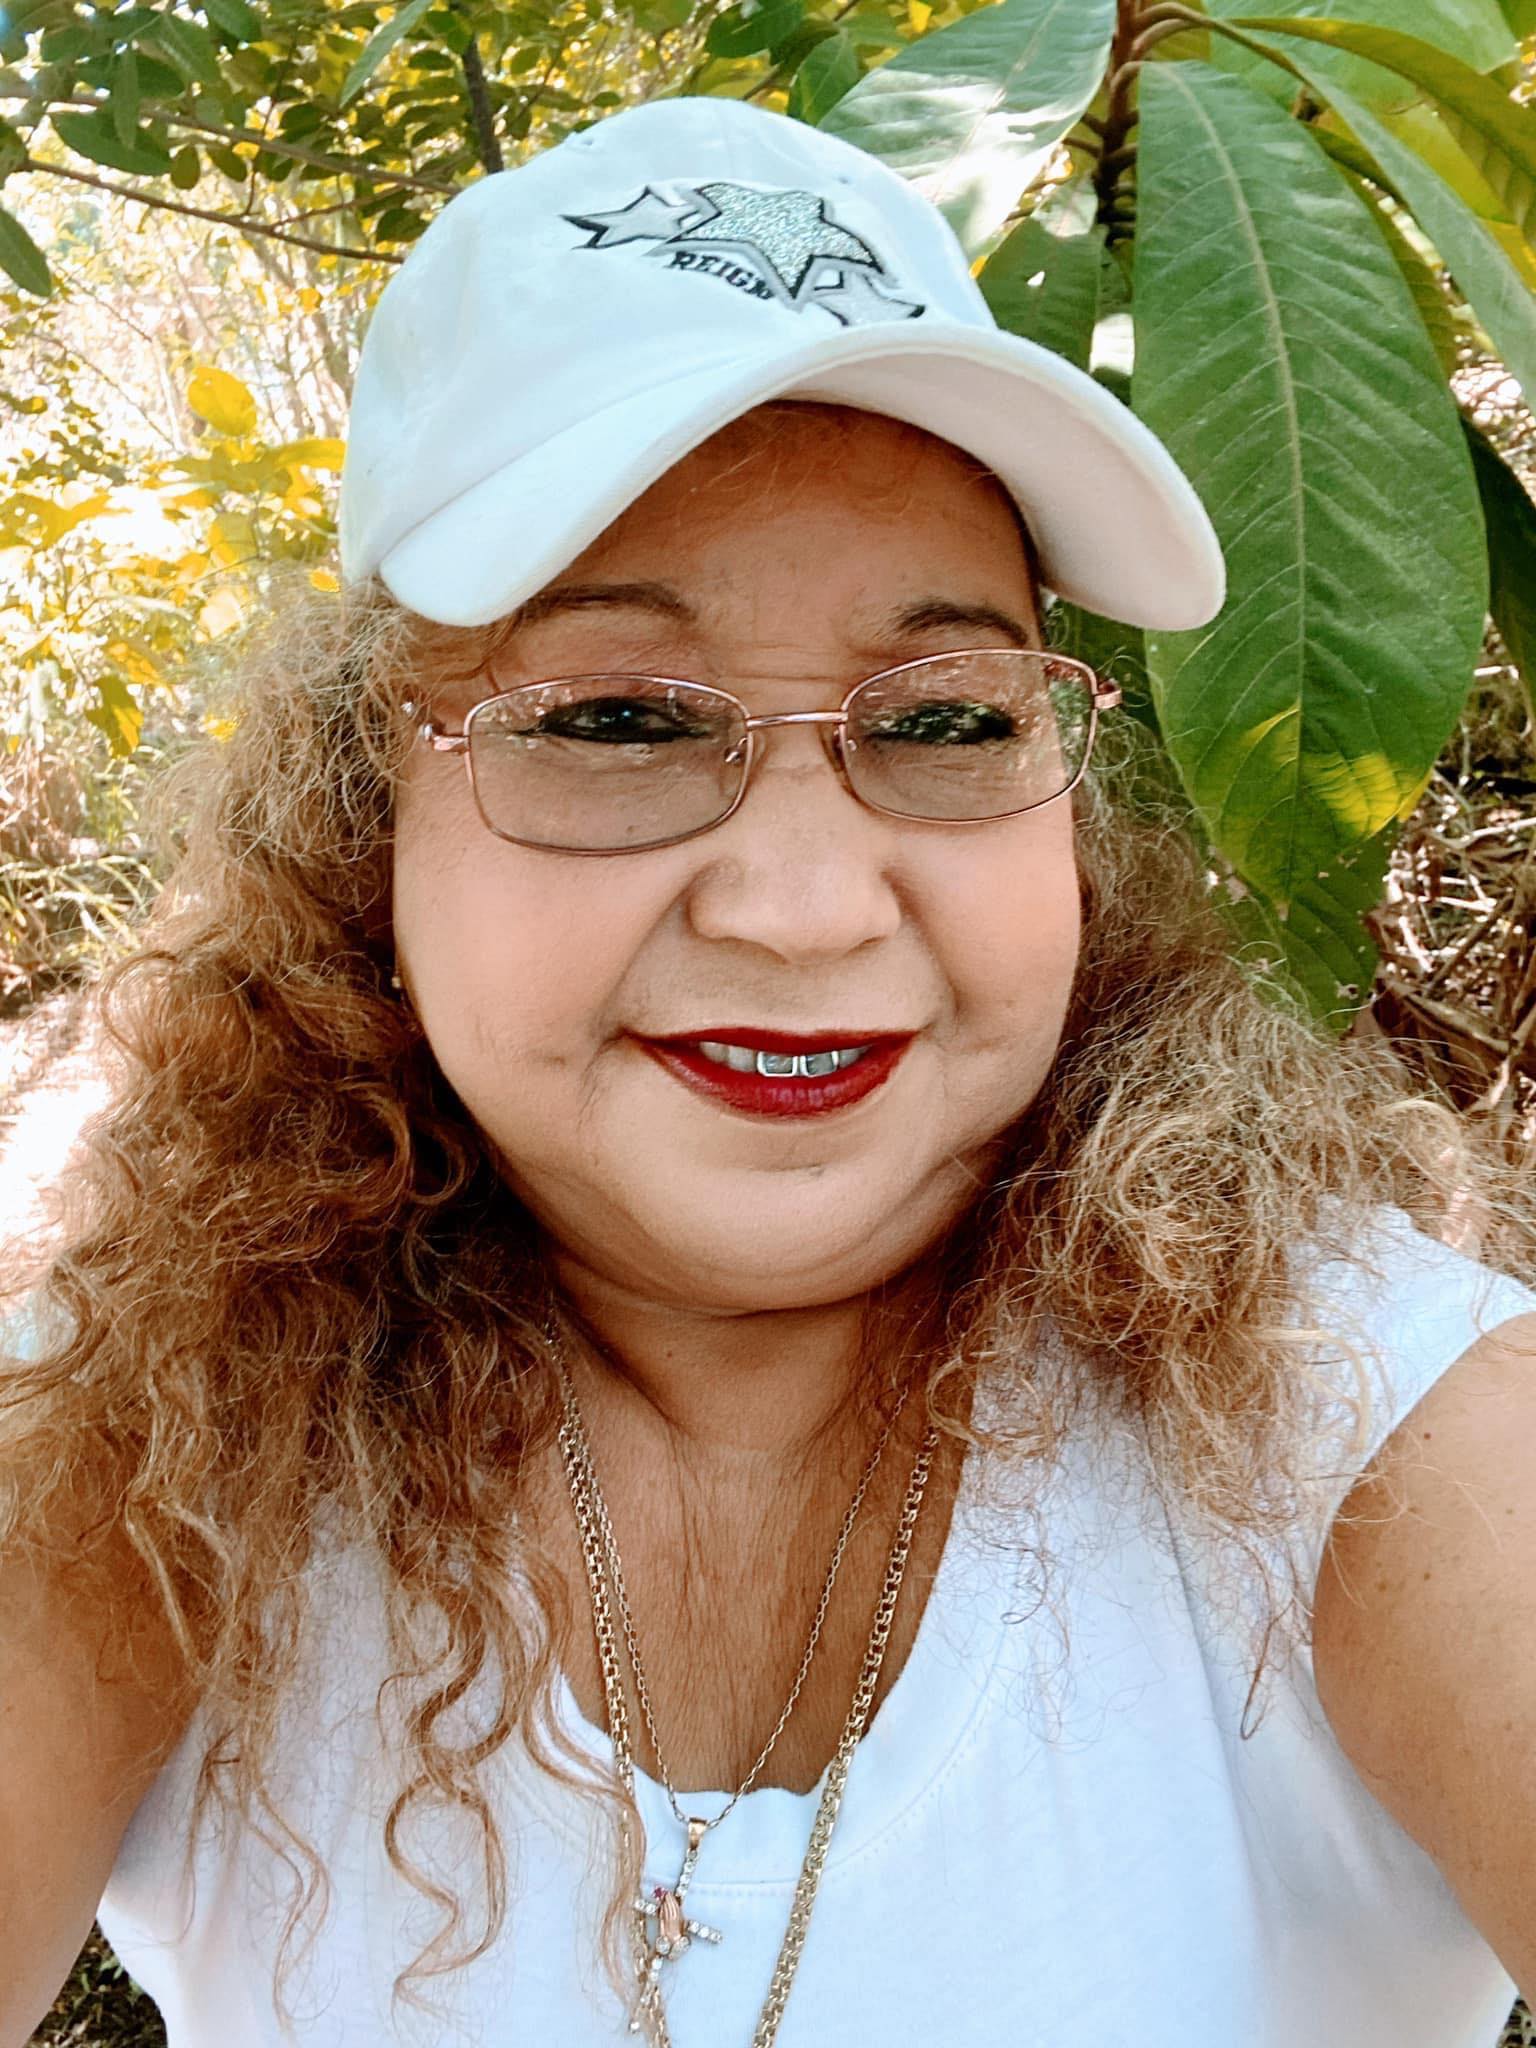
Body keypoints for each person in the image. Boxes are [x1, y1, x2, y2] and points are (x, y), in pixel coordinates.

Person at [2, 92, 1533, 2048]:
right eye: (621, 720)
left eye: (947, 718)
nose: (808, 909)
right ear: (369, 805)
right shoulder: (150, 1444)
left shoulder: (1365, 1432)